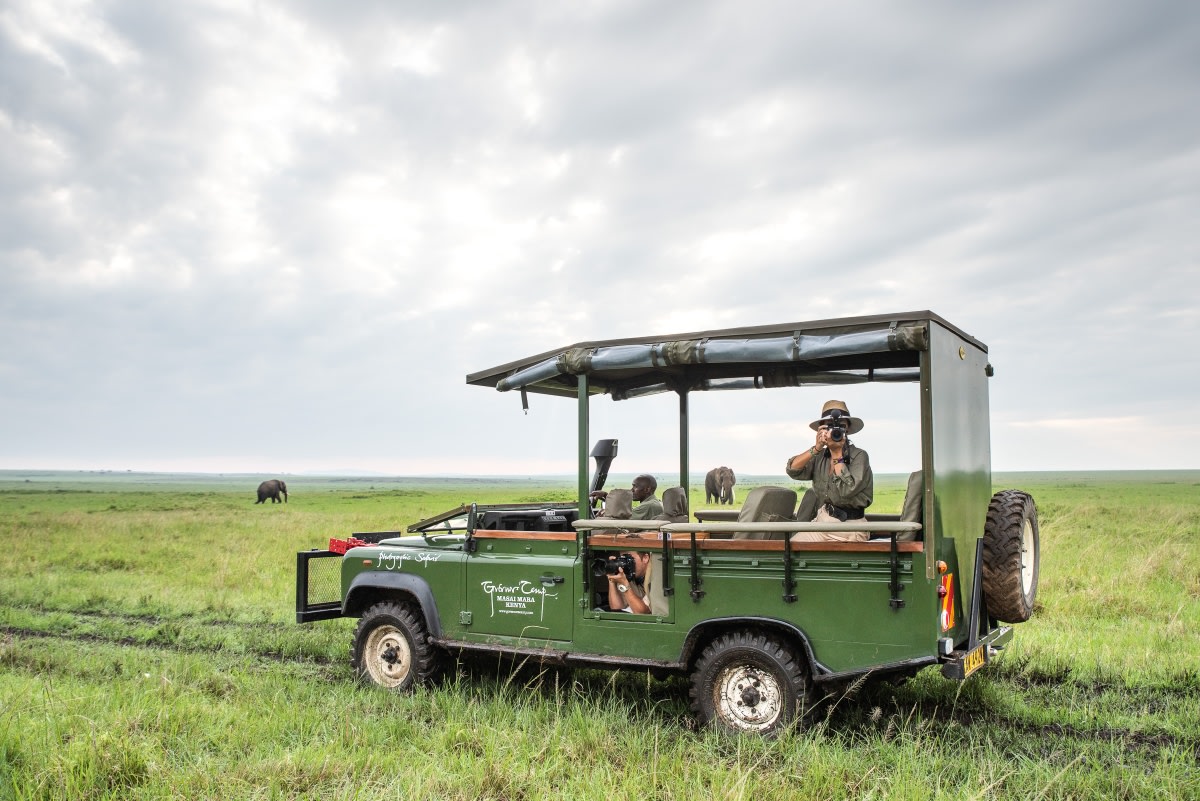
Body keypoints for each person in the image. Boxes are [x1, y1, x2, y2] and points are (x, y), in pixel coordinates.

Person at [785, 400, 874, 542]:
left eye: (841, 426)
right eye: (830, 427)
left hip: (850, 527)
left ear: (848, 430)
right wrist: (816, 448)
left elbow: (847, 490)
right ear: (821, 429)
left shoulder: (859, 456)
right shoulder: (820, 456)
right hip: (822, 521)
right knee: (792, 549)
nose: (835, 431)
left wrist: (837, 453)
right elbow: (793, 470)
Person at [604, 549, 669, 615]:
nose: (625, 563)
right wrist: (611, 579)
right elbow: (617, 608)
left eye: (628, 558)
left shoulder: (657, 574)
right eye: (622, 559)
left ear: (645, 558)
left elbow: (642, 613)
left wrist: (626, 586)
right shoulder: (628, 575)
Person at [591, 474, 663, 520]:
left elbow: (622, 520)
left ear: (647, 489)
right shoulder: (653, 503)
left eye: (635, 486)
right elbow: (627, 511)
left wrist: (602, 516)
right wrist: (606, 495)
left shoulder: (648, 506)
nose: (631, 490)